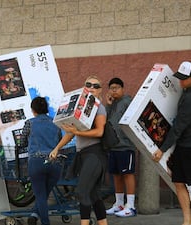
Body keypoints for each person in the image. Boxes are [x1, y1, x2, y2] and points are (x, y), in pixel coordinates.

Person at [152, 61, 191, 225]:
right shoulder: (189, 90)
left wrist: (162, 149)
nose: (181, 81)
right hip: (184, 144)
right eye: (180, 77)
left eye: (184, 78)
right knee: (178, 182)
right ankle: (187, 220)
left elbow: (180, 125)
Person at [49, 75, 108, 225]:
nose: (92, 88)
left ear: (100, 90)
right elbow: (70, 133)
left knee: (82, 192)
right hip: (84, 154)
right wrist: (57, 148)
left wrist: (77, 133)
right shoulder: (81, 108)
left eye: (96, 86)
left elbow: (99, 132)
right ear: (84, 87)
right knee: (93, 194)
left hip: (95, 154)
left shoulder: (99, 108)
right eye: (89, 85)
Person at [19, 96, 63, 225]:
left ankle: (45, 222)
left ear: (33, 110)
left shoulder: (30, 123)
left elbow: (22, 142)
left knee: (40, 195)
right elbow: (60, 140)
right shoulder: (56, 122)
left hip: (37, 162)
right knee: (44, 193)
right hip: (55, 162)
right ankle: (34, 214)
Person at [104, 78, 137, 217]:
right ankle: (119, 204)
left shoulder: (127, 101)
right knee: (116, 175)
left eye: (117, 87)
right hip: (113, 146)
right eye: (111, 88)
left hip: (126, 145)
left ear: (123, 88)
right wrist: (108, 105)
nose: (114, 90)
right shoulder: (111, 104)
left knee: (128, 174)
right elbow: (106, 120)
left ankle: (131, 206)